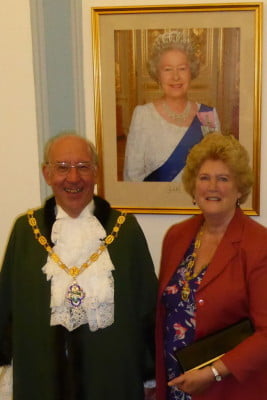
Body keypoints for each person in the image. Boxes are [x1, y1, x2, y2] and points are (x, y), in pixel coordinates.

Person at [0, 133, 158, 400]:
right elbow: (6, 306)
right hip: (41, 378)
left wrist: (150, 374)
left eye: (83, 167)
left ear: (96, 172)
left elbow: (148, 308)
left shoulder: (126, 230)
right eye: (62, 167)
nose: (73, 178)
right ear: (46, 173)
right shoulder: (26, 231)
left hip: (112, 377)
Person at [155, 133, 267, 400]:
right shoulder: (176, 236)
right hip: (176, 384)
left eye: (223, 178)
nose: (212, 186)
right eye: (204, 178)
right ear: (193, 186)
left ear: (240, 189)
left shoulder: (259, 244)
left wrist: (213, 372)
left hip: (229, 388)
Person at [123, 30, 220, 182]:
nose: (175, 77)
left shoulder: (207, 115)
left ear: (191, 71)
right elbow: (132, 176)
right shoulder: (143, 115)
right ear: (158, 74)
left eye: (182, 68)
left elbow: (216, 171)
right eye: (167, 69)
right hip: (155, 204)